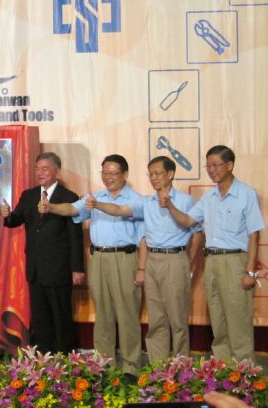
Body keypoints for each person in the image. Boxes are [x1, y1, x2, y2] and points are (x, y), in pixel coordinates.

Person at [85, 156, 203, 363]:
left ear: (171, 174)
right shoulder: (146, 202)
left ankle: (181, 367)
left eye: (157, 173)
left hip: (176, 259)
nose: (154, 178)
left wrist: (189, 263)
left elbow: (197, 234)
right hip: (152, 260)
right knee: (156, 318)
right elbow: (120, 210)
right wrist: (97, 204)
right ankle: (158, 368)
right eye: (151, 174)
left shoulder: (186, 200)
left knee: (177, 318)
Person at [161, 145, 265, 361]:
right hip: (212, 262)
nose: (211, 169)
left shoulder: (246, 193)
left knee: (238, 318)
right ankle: (224, 370)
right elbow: (187, 220)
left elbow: (254, 235)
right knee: (218, 318)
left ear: (229, 165)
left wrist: (250, 272)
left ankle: (245, 375)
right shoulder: (208, 198)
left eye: (215, 165)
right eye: (208, 165)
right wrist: (170, 205)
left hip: (236, 261)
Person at [46, 154, 144, 378]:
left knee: (127, 314)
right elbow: (72, 209)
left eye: (112, 173)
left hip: (125, 258)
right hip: (98, 258)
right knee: (103, 314)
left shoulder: (136, 199)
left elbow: (120, 213)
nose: (107, 177)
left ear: (125, 175)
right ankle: (104, 365)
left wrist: (141, 268)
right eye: (104, 173)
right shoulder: (95, 197)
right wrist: (51, 207)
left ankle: (131, 368)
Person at [1, 152, 84, 354]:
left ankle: (64, 358)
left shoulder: (69, 197)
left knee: (60, 315)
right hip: (36, 269)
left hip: (59, 269)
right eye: (37, 169)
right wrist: (7, 215)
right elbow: (15, 220)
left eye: (45, 169)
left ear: (57, 171)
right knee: (40, 317)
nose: (40, 173)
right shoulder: (29, 195)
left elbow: (75, 237)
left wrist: (77, 269)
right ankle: (42, 358)